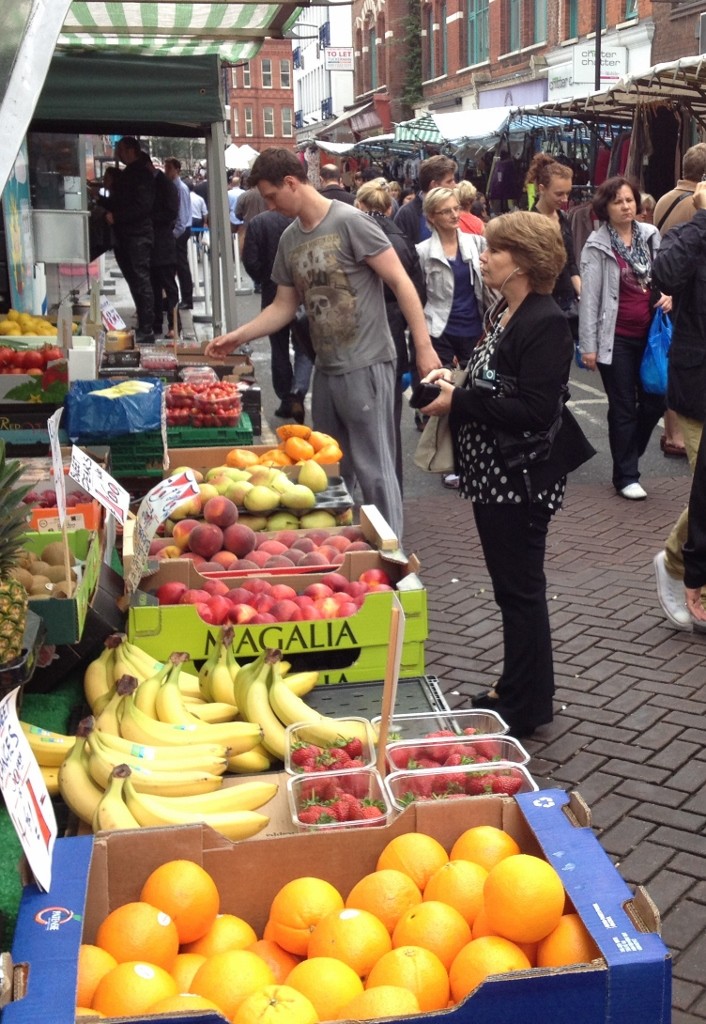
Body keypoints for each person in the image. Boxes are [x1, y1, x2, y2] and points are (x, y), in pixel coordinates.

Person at [417, 211, 594, 737]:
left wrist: (460, 401)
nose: (484, 257)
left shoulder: (545, 322)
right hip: (494, 477)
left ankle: (529, 701)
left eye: (494, 250)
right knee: (510, 588)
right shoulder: (505, 312)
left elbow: (536, 411)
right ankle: (514, 685)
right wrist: (450, 383)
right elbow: (494, 385)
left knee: (520, 589)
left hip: (518, 481)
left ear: (522, 261)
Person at [204, 147, 441, 540]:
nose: (268, 204)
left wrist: (422, 346)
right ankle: (345, 547)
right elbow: (283, 305)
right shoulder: (289, 239)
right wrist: (239, 335)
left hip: (367, 362)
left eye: (271, 194)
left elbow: (400, 281)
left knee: (375, 468)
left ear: (292, 183)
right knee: (330, 469)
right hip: (327, 368)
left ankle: (390, 555)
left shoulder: (352, 222)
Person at [578, 176, 671, 500]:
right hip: (614, 337)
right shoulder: (597, 245)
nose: (626, 206)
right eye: (618, 201)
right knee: (622, 408)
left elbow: (665, 276)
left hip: (651, 335)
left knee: (655, 399)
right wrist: (588, 346)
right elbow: (589, 298)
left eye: (629, 199)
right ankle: (626, 475)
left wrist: (669, 295)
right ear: (606, 207)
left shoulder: (649, 236)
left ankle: (629, 453)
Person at [650, 180, 706, 630]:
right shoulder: (692, 232)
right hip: (698, 385)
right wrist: (703, 217)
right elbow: (664, 274)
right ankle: (675, 563)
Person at [354, 177, 426, 491]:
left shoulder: (354, 235)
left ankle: (365, 488)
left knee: (360, 420)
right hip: (394, 334)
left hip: (360, 337)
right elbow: (418, 293)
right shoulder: (402, 238)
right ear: (388, 206)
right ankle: (391, 487)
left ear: (360, 205)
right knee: (390, 418)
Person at [415, 186, 489, 488]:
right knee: (445, 396)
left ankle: (474, 454)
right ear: (432, 217)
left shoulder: (476, 243)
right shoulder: (422, 252)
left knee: (476, 393)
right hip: (440, 329)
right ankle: (450, 461)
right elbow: (418, 296)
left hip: (474, 326)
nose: (455, 215)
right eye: (446, 211)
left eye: (456, 208)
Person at [242, 209, 313, 424]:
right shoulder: (303, 219)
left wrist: (265, 278)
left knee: (279, 348)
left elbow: (251, 260)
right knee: (304, 347)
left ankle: (285, 397)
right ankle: (298, 390)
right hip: (305, 289)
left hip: (273, 291)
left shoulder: (259, 222)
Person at [105, 136, 156, 344]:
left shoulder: (141, 174)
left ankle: (147, 326)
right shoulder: (130, 174)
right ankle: (144, 323)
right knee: (135, 279)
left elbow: (143, 206)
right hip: (126, 235)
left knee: (140, 279)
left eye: (121, 149)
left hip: (137, 235)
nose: (118, 153)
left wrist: (117, 216)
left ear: (132, 150)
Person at [525, 153, 581, 333]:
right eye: (559, 194)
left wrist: (582, 292)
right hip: (539, 303)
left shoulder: (564, 219)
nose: (565, 199)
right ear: (542, 189)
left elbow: (571, 263)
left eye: (567, 193)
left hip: (566, 301)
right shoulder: (529, 222)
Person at [147, 158, 179, 339]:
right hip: (156, 246)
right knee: (155, 287)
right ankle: (157, 324)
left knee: (168, 286)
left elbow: (172, 213)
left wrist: (149, 217)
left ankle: (173, 325)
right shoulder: (161, 183)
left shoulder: (166, 185)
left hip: (164, 246)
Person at [394, 154, 457, 246]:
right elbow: (402, 252)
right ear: (434, 185)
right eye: (449, 181)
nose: (454, 185)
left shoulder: (455, 209)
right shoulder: (406, 215)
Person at [164, 157, 194, 316]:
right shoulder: (174, 187)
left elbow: (182, 215)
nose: (166, 171)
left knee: (181, 265)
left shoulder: (180, 188)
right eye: (166, 167)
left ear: (177, 170)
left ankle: (187, 299)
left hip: (180, 230)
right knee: (178, 265)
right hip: (179, 229)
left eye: (169, 168)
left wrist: (175, 234)